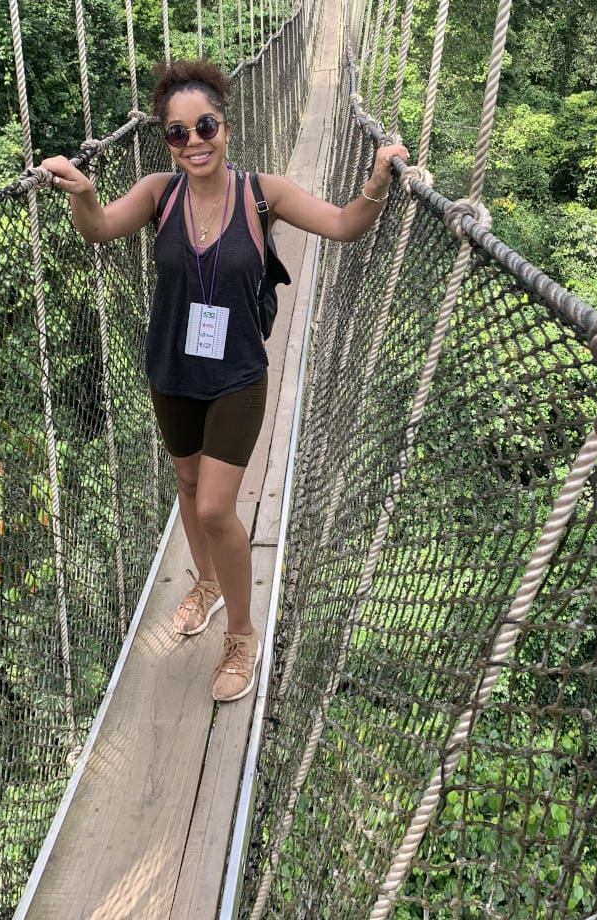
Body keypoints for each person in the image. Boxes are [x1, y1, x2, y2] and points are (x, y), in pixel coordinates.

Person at [41, 58, 407, 703]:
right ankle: (205, 584)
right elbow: (98, 230)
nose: (193, 142)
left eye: (204, 125)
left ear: (226, 128)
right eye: (177, 133)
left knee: (215, 507)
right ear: (168, 142)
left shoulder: (265, 194)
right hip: (171, 368)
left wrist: (378, 178)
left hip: (238, 373)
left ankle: (241, 632)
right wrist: (83, 194)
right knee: (186, 482)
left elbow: (347, 225)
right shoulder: (160, 193)